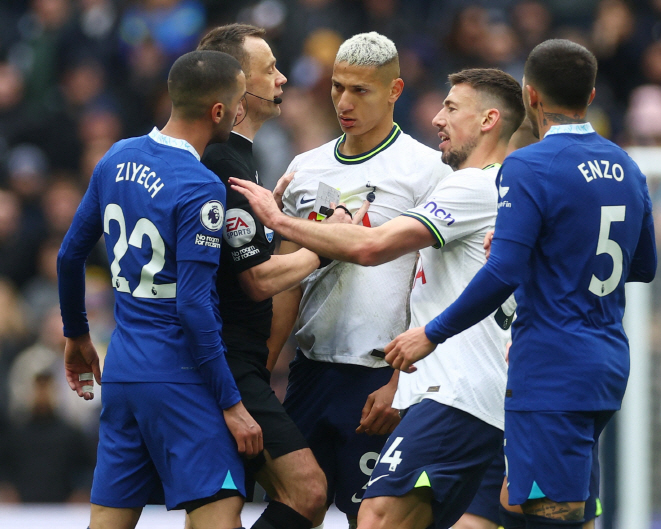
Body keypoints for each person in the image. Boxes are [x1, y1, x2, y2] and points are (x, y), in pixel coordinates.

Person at [232, 67, 524, 529]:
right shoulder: (498, 190)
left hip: (454, 393)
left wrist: (280, 220)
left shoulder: (470, 186)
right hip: (448, 390)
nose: (437, 119)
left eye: (450, 108)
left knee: (376, 517)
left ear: (488, 120)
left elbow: (371, 246)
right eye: (336, 87)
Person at [383, 39, 657, 529]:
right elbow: (642, 266)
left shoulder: (529, 166)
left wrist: (432, 333)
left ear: (530, 95)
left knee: (548, 512)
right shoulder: (628, 167)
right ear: (591, 95)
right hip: (607, 361)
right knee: (539, 502)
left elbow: (503, 271)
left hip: (549, 362)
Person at [56, 50, 263, 529]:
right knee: (219, 510)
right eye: (237, 104)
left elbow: (69, 257)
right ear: (218, 112)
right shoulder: (199, 186)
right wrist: (232, 405)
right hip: (180, 376)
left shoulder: (116, 156)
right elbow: (192, 306)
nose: (239, 113)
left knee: (108, 520)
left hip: (123, 372)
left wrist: (77, 336)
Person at [258, 32, 452, 527]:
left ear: (395, 90)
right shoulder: (306, 168)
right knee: (292, 507)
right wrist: (263, 372)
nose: (345, 102)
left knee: (372, 518)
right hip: (311, 371)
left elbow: (438, 286)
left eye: (361, 91)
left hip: (379, 376)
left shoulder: (427, 171)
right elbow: (287, 286)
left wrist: (399, 383)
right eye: (338, 87)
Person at [195, 23, 327, 529]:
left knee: (220, 510)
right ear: (236, 87)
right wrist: (325, 244)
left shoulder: (240, 162)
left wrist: (279, 219)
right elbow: (255, 280)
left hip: (233, 359)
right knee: (308, 491)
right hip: (227, 363)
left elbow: (237, 256)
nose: (283, 78)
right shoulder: (224, 162)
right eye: (269, 69)